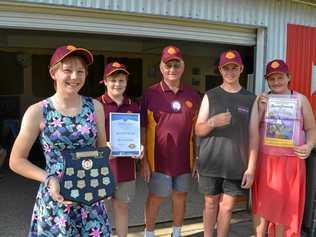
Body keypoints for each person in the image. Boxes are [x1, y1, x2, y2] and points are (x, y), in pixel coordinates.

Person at [9, 45, 111, 237]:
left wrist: (107, 175)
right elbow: (16, 161)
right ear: (53, 73)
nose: (75, 77)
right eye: (67, 70)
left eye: (80, 71)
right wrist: (49, 179)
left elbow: (101, 149)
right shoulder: (38, 111)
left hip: (90, 199)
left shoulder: (95, 107)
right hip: (56, 199)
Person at [251, 59, 316, 237]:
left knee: (286, 209)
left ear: (289, 77)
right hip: (266, 162)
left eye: (280, 77)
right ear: (267, 81)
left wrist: (309, 145)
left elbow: (311, 129)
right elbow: (253, 130)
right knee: (261, 205)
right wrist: (261, 109)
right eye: (272, 79)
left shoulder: (301, 100)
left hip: (291, 163)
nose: (276, 82)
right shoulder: (263, 99)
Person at [195, 50, 256, 237]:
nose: (230, 72)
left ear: (241, 69)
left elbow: (254, 136)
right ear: (220, 70)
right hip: (210, 161)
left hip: (236, 164)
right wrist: (213, 122)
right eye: (226, 68)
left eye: (234, 67)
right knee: (210, 203)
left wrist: (251, 168)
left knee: (227, 208)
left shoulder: (250, 98)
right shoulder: (210, 96)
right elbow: (198, 129)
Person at [141, 45, 200, 237]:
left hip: (184, 159)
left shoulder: (192, 95)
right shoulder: (150, 94)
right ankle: (149, 233)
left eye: (176, 65)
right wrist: (143, 161)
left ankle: (177, 232)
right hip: (158, 160)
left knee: (180, 197)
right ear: (161, 68)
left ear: (182, 67)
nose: (172, 70)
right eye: (168, 65)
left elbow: (197, 131)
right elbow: (142, 127)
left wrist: (196, 158)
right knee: (156, 198)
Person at [98, 62, 142, 237]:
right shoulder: (95, 105)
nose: (117, 84)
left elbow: (137, 134)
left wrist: (140, 148)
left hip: (125, 167)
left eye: (121, 80)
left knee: (122, 209)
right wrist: (102, 145)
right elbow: (87, 136)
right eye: (113, 80)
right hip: (102, 167)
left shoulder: (133, 105)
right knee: (100, 210)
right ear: (105, 81)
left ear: (126, 82)